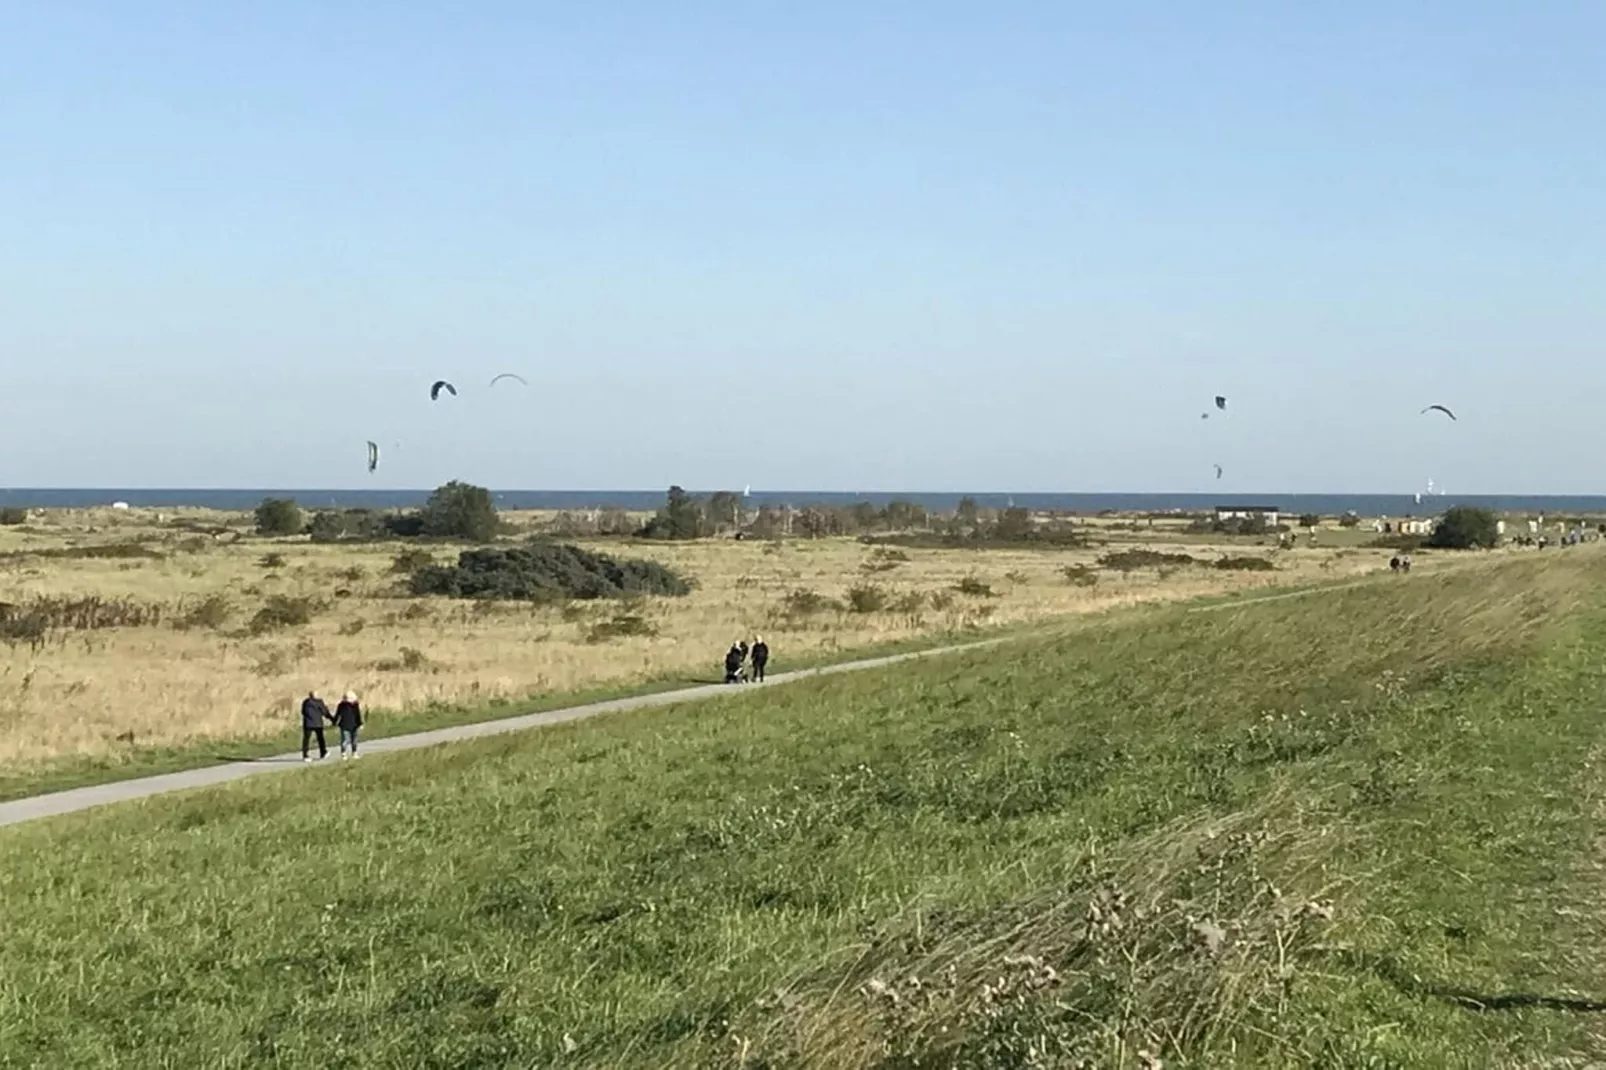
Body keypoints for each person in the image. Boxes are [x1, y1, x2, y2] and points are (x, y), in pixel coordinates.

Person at [300, 690, 333, 762]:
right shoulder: (319, 702)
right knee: (320, 738)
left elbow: (303, 711)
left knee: (306, 739)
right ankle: (323, 752)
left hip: (308, 723)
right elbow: (325, 712)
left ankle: (305, 755)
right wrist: (332, 719)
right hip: (317, 723)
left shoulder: (306, 702)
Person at [335, 690, 363, 760]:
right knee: (345, 740)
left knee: (354, 740)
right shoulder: (341, 705)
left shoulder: (355, 705)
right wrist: (335, 722)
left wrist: (360, 723)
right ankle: (343, 753)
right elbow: (338, 714)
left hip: (354, 725)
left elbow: (358, 715)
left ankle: (354, 752)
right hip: (344, 725)